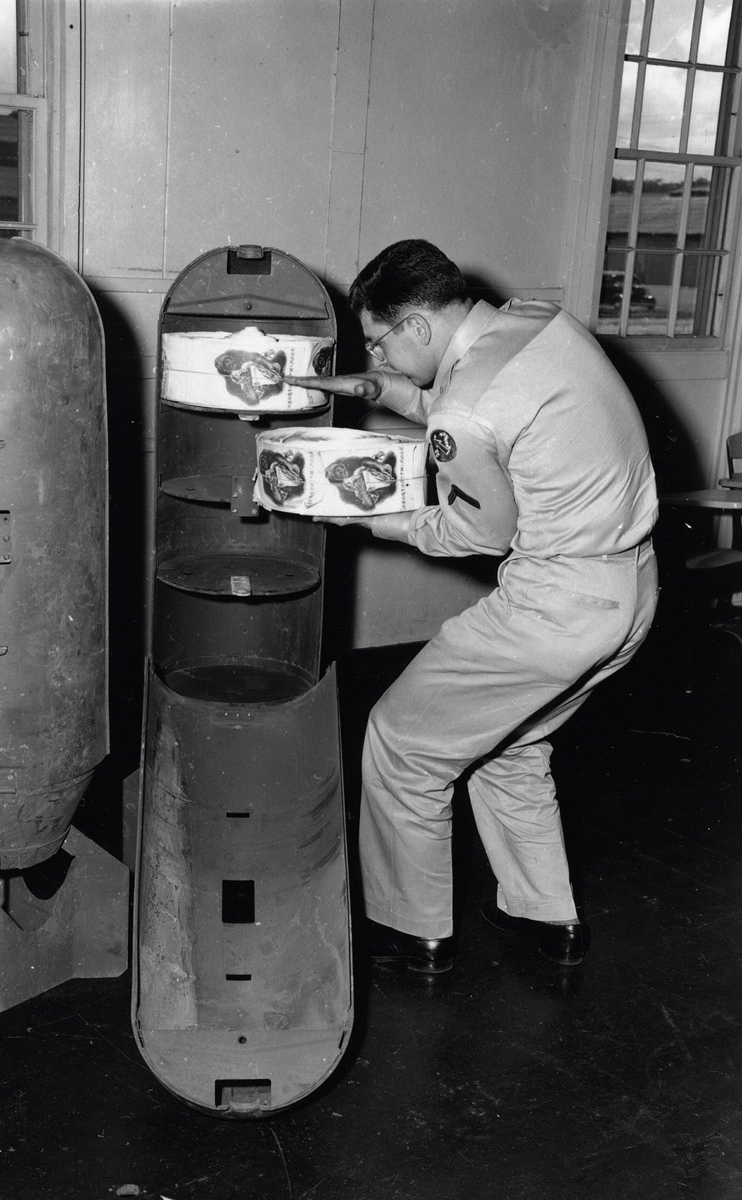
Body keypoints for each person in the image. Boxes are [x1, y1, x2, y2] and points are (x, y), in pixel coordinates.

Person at [287, 239, 658, 973]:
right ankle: (544, 915)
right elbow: (477, 401)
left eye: (380, 341)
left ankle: (411, 930)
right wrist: (369, 388)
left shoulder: (466, 413)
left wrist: (362, 519)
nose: (382, 357)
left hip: (554, 605)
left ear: (418, 326)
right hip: (632, 590)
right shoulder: (536, 321)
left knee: (400, 742)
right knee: (508, 744)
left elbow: (479, 532)